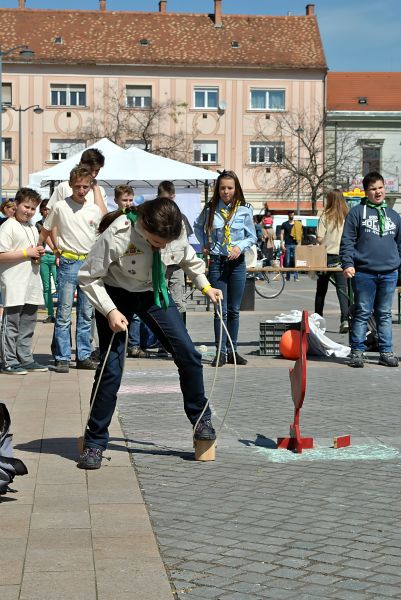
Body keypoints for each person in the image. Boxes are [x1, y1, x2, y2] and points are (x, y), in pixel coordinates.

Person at [76, 197, 222, 469]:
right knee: (111, 368)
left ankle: (201, 418)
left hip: (152, 293)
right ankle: (94, 442)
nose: (162, 247)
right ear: (143, 226)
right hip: (114, 294)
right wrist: (109, 311)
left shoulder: (174, 230)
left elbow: (189, 259)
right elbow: (87, 276)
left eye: (166, 243)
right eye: (157, 243)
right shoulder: (119, 233)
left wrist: (206, 286)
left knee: (188, 354)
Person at [39, 166, 107, 373]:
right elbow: (46, 228)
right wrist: (48, 248)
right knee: (64, 313)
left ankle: (84, 355)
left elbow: (103, 228)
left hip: (88, 264)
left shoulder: (94, 208)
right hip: (68, 262)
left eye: (85, 186)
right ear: (70, 185)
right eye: (77, 186)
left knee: (87, 313)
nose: (81, 190)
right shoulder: (60, 206)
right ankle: (62, 356)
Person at [194, 170, 257, 367]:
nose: (226, 192)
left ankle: (232, 351)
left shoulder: (245, 209)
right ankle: (220, 352)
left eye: (230, 188)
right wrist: (204, 243)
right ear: (218, 189)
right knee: (220, 310)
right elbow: (198, 226)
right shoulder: (211, 209)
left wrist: (240, 247)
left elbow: (252, 236)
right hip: (218, 262)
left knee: (234, 310)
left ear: (236, 188)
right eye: (222, 188)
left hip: (237, 264)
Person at [340, 171, 401, 368]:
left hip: (389, 272)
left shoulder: (393, 215)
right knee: (363, 311)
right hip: (364, 272)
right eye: (373, 189)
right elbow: (347, 241)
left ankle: (386, 351)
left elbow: (399, 244)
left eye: (380, 188)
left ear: (385, 188)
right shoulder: (357, 213)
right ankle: (357, 351)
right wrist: (347, 263)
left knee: (384, 313)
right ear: (366, 192)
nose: (378, 192)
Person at [0, 188, 47, 374]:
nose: (29, 211)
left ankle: (25, 358)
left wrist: (37, 253)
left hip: (31, 282)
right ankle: (9, 361)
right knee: (11, 324)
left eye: (33, 208)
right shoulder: (7, 227)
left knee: (28, 323)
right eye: (26, 207)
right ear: (16, 204)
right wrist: (27, 253)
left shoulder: (30, 227)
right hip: (14, 283)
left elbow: (30, 250)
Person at [314, 189, 350, 334]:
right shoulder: (347, 216)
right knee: (342, 290)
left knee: (321, 290)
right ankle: (345, 319)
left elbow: (319, 238)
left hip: (325, 257)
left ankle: (317, 320)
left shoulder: (325, 216)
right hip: (342, 256)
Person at [36, 200, 58, 323]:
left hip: (56, 257)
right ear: (41, 211)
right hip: (44, 256)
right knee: (46, 287)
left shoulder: (57, 223)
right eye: (44, 209)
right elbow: (44, 236)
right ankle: (50, 314)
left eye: (49, 209)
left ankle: (61, 313)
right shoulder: (39, 224)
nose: (47, 211)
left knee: (59, 284)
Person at [280, 210, 302, 281]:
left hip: (295, 244)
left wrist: (299, 244)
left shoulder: (297, 224)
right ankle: (288, 277)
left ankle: (296, 277)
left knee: (296, 261)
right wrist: (282, 244)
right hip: (287, 244)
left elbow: (300, 234)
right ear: (288, 215)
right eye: (290, 215)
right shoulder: (284, 224)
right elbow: (281, 234)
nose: (292, 216)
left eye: (293, 215)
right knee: (287, 261)